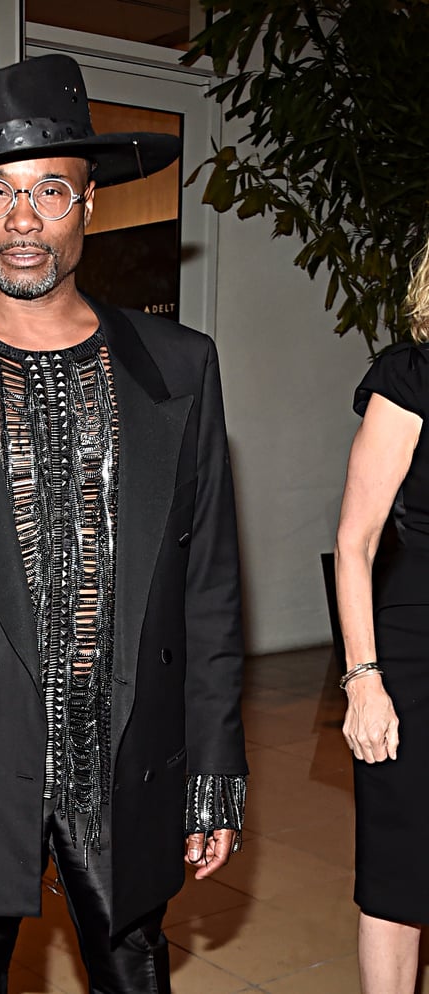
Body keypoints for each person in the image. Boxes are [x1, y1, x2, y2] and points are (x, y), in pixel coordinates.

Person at [0, 54, 247, 994]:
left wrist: (216, 764)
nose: (23, 222)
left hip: (126, 758)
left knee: (134, 972)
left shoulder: (180, 367)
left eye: (49, 193)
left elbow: (211, 588)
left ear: (89, 203)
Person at [335, 235, 429, 994]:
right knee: (400, 879)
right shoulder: (411, 374)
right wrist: (363, 680)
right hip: (415, 655)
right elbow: (356, 540)